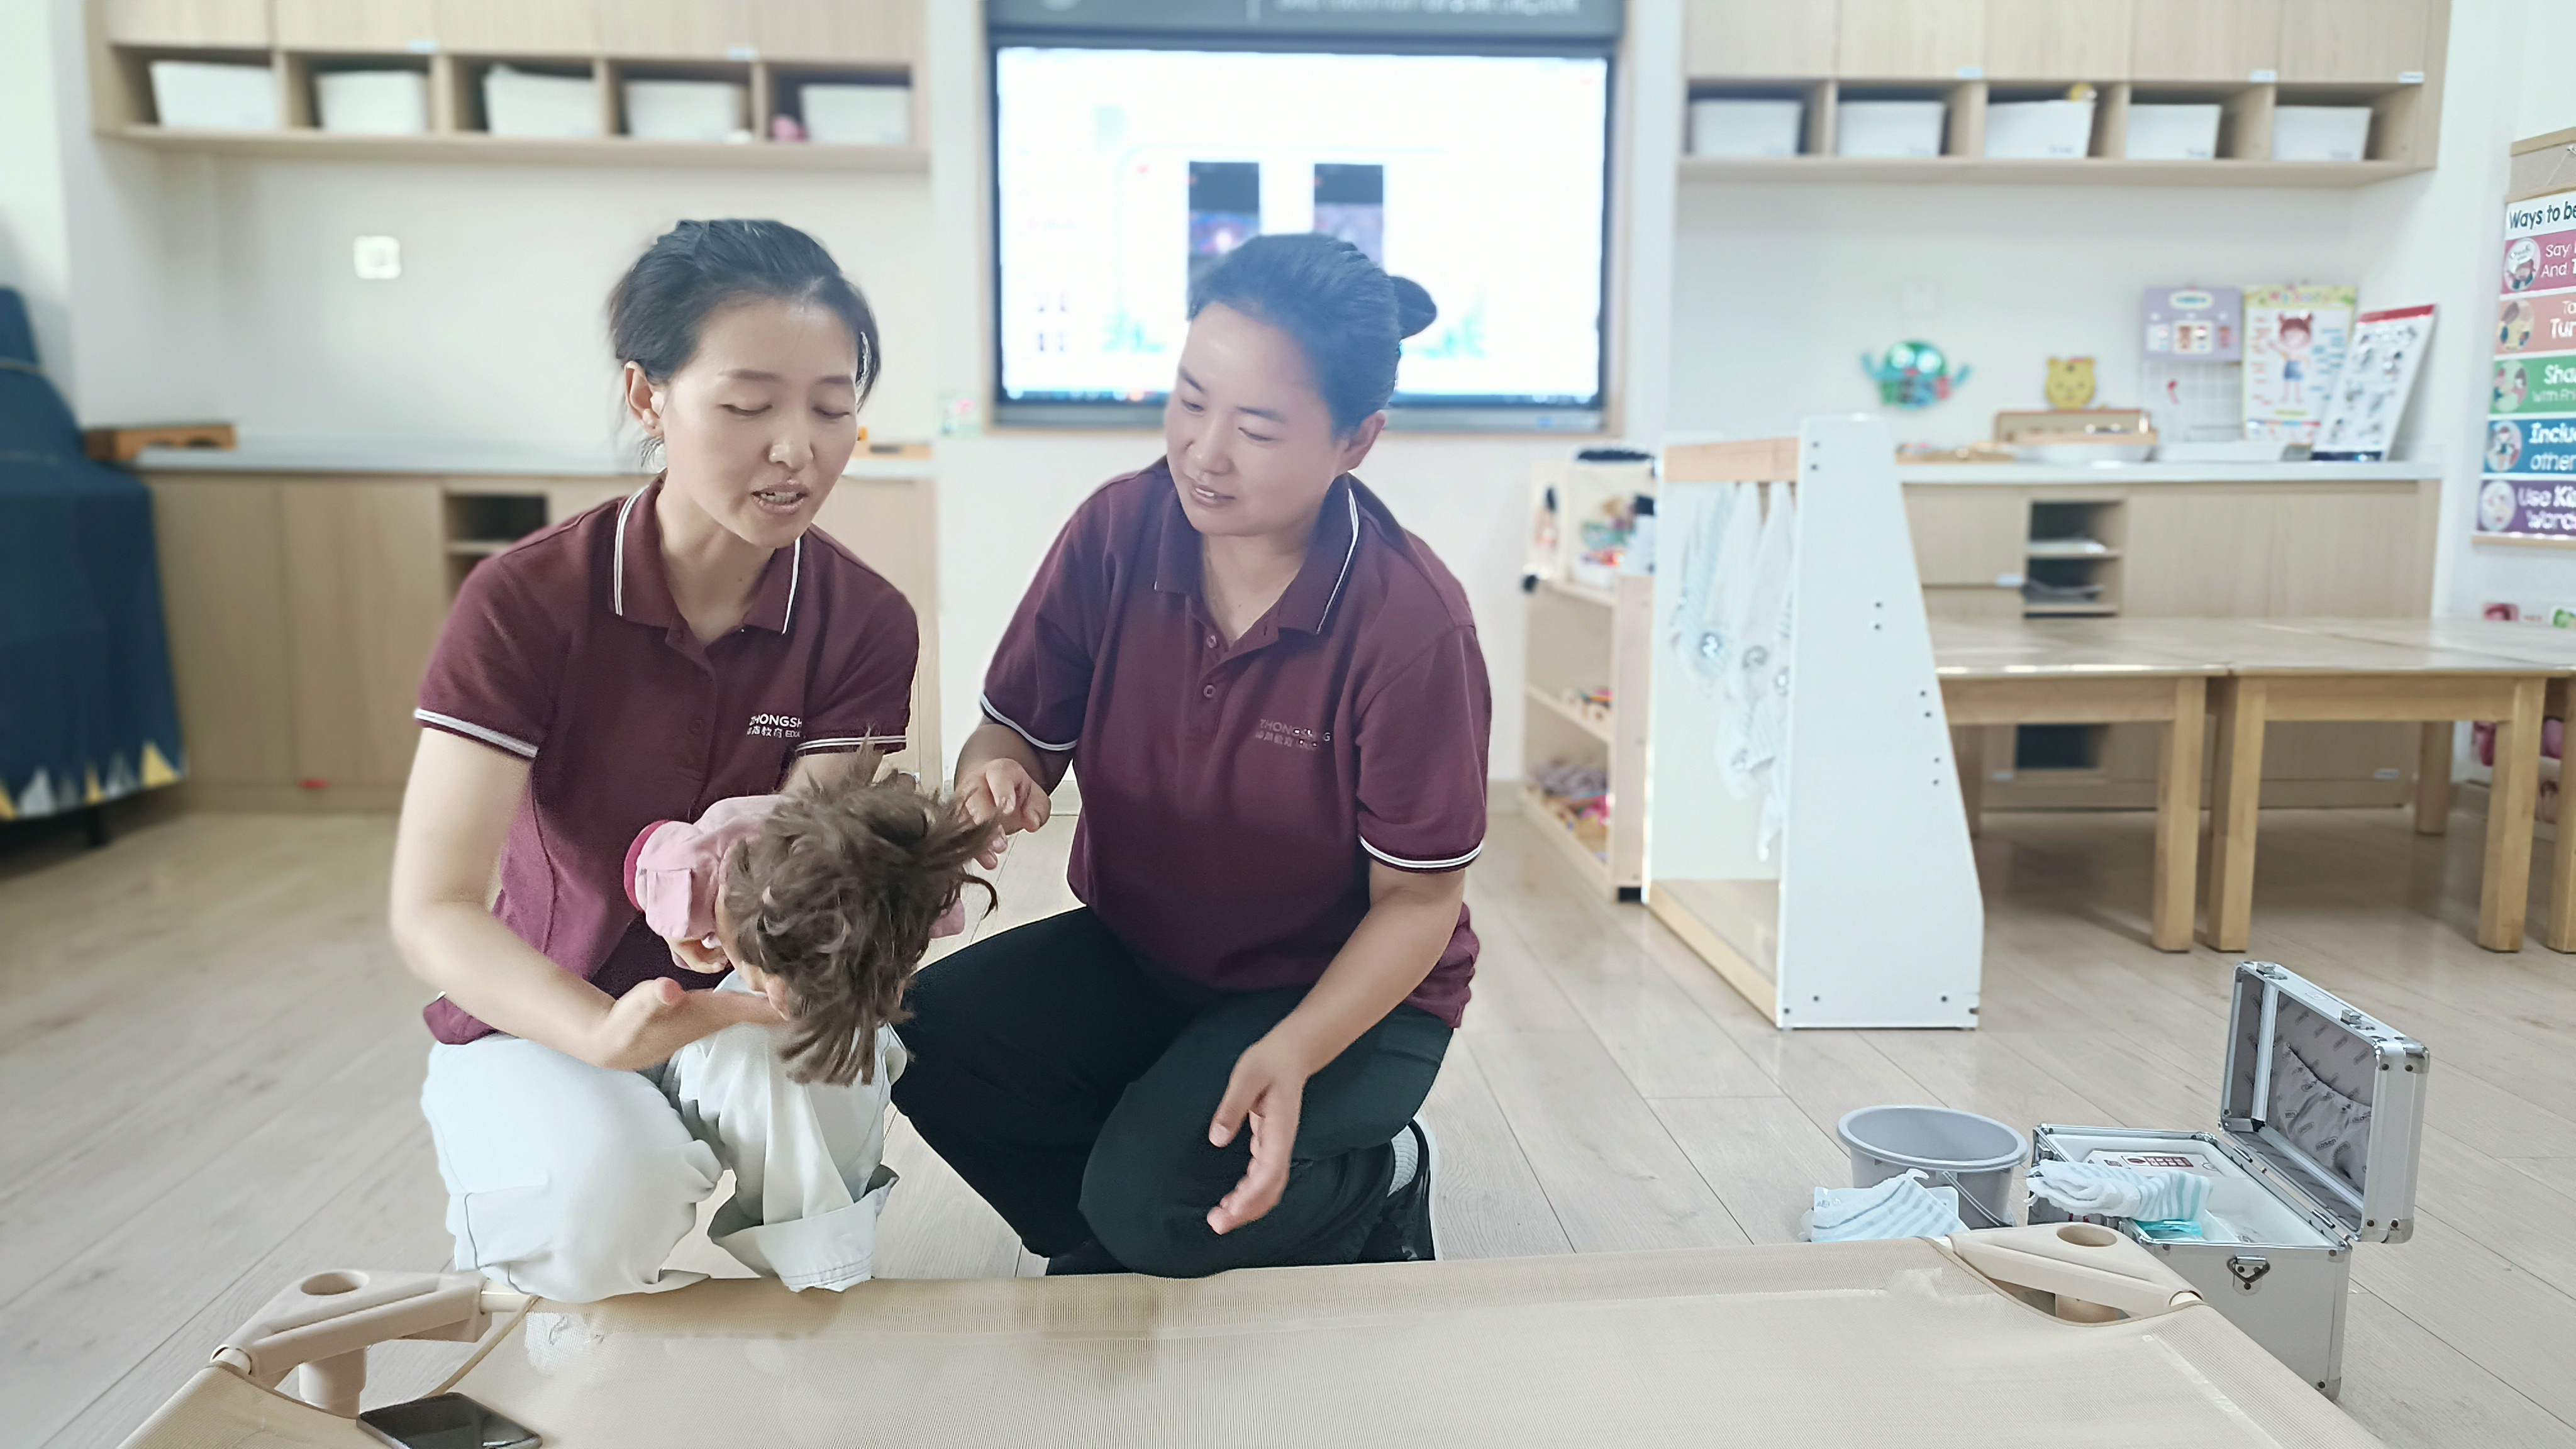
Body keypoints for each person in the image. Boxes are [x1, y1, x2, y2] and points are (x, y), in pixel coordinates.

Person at [894, 233, 1493, 1278]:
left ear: (1357, 440)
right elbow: (1012, 733)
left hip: (1343, 995)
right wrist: (995, 773)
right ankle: (1117, 1235)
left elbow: (1419, 902)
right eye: (1189, 400)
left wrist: (1298, 1047)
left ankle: (1383, 1173)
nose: (1204, 452)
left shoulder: (1408, 623)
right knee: (927, 1039)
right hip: (1147, 955)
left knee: (1162, 1198)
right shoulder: (1117, 532)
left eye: (1256, 428)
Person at [389, 218, 926, 1302]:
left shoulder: (865, 620)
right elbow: (433, 909)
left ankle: (822, 1331)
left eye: (832, 408)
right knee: (602, 1200)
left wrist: (824, 933)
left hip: (738, 1004)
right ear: (648, 397)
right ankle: (544, 1301)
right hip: (540, 1011)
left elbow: (793, 875)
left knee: (818, 1066)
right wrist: (598, 1029)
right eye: (749, 406)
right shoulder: (529, 601)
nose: (798, 448)